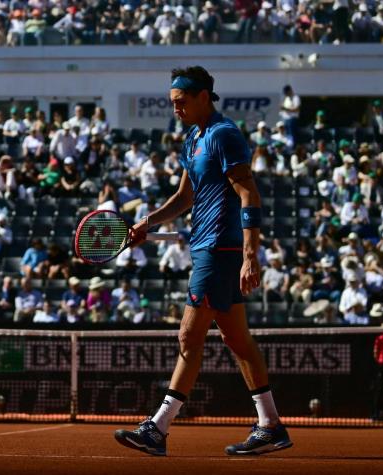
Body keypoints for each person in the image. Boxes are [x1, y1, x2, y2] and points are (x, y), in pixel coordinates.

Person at [115, 67, 292, 457]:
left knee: (189, 337)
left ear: (203, 97)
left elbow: (250, 196)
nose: (175, 109)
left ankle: (158, 428)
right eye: (172, 103)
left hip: (220, 251)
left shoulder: (224, 134)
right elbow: (184, 197)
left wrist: (251, 255)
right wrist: (148, 222)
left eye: (181, 102)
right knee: (237, 340)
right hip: (207, 249)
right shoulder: (193, 138)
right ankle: (270, 425)